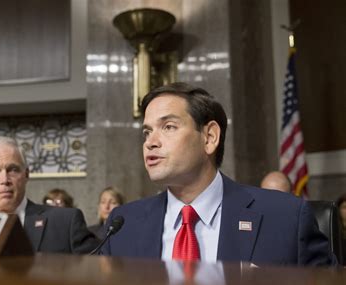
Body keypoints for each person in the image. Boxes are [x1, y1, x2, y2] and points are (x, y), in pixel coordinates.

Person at [101, 82, 335, 266]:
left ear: (210, 137)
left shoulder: (286, 218)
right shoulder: (123, 226)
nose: (150, 143)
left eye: (168, 127)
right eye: (146, 132)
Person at [0, 136, 99, 254]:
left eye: (13, 170)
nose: (4, 180)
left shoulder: (66, 222)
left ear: (26, 175)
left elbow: (97, 267)